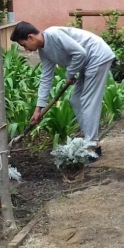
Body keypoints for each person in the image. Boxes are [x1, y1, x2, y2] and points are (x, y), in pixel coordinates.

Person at [10, 22, 115, 160]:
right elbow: (46, 77)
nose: (26, 49)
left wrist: (69, 73)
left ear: (31, 37)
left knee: (88, 101)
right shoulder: (44, 51)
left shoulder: (54, 34)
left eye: (24, 45)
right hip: (87, 64)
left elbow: (80, 53)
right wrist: (38, 108)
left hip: (97, 56)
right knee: (76, 100)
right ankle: (90, 140)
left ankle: (92, 146)